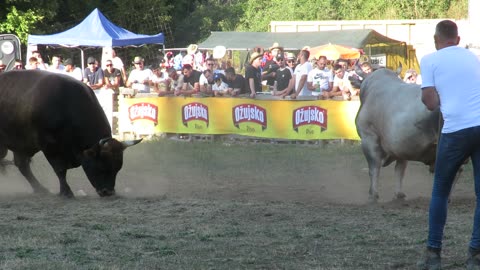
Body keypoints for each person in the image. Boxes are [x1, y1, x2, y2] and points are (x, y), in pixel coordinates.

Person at [417, 20, 480, 270]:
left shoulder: (430, 60)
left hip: (455, 131)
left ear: (436, 39)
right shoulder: (474, 58)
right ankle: (475, 255)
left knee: (441, 191)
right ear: (457, 38)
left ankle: (433, 254)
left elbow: (430, 102)